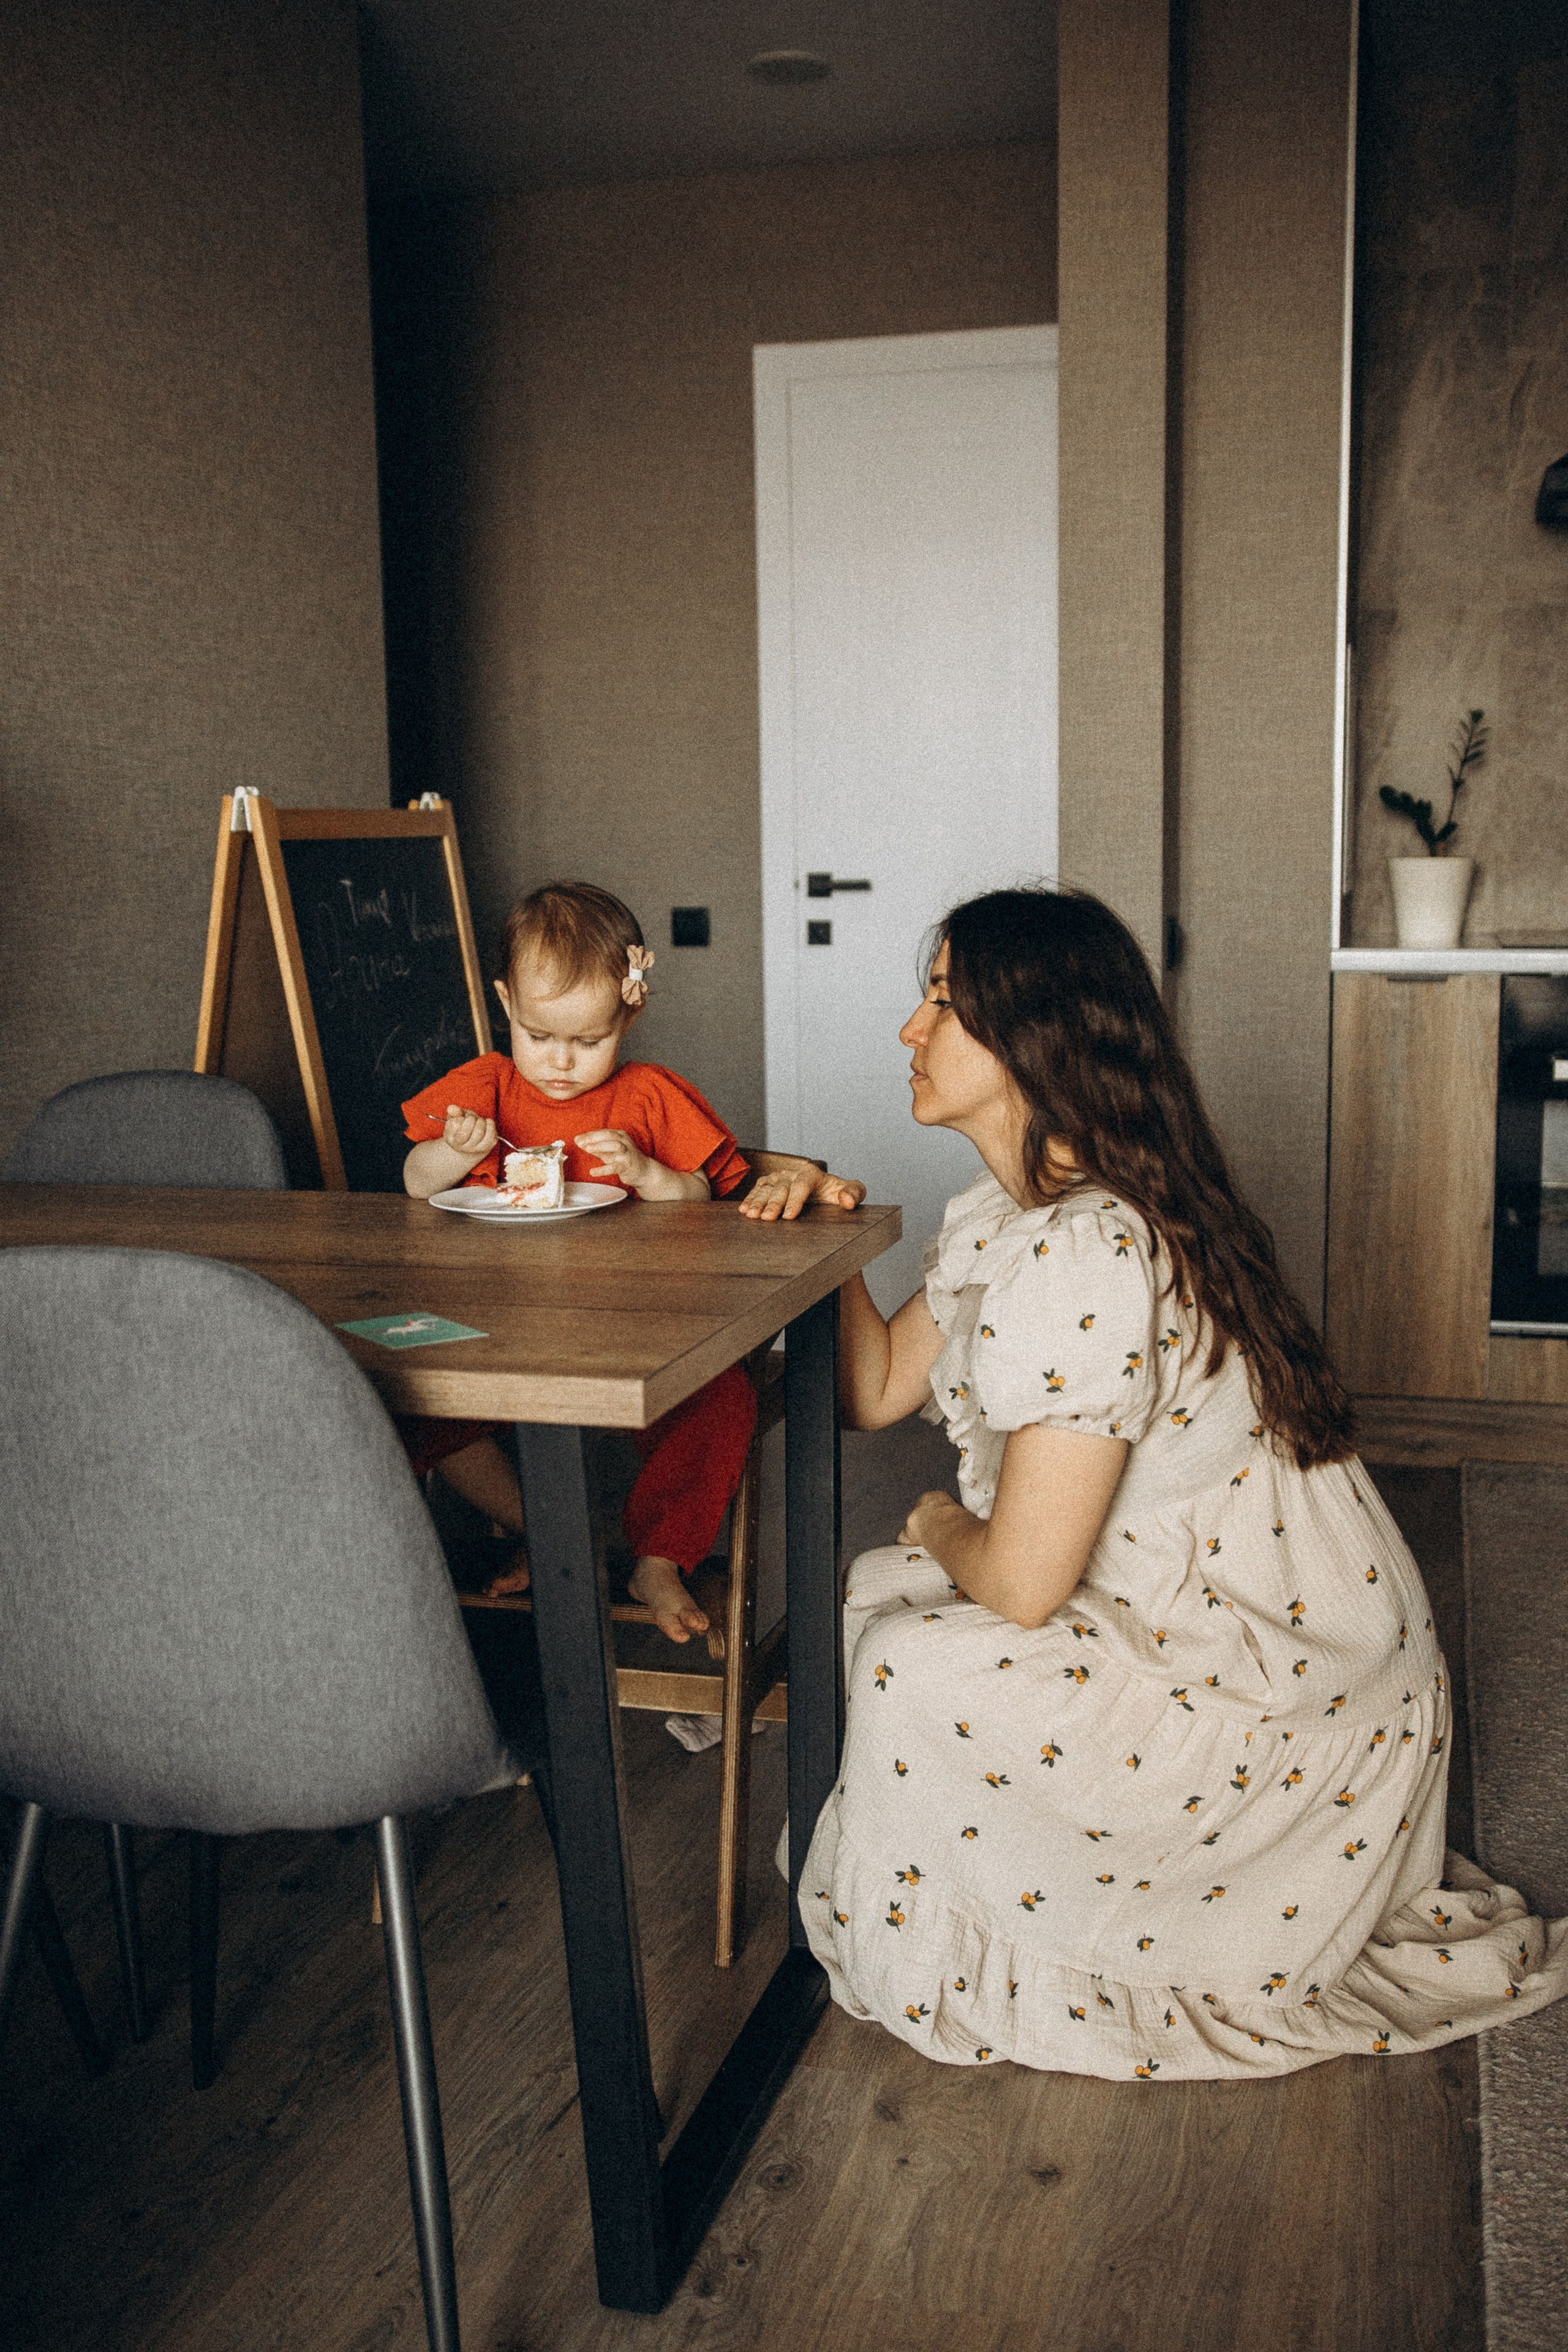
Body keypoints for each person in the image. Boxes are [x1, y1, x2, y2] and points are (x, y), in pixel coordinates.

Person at [756, 884, 1568, 2077]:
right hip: (1198, 1613)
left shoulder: (1086, 1243)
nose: (905, 1034)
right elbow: (871, 1387)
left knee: (900, 1652)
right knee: (880, 1591)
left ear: (1032, 1038)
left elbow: (1024, 1587)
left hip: (1274, 1691)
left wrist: (940, 1518)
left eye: (939, 1007)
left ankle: (1078, 1939)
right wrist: (817, 1228)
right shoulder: (1010, 1209)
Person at [400, 880, 755, 1642]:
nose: (561, 1063)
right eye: (540, 1035)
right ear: (505, 1005)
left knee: (723, 1397)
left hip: (636, 1327)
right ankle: (550, 1530)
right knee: (410, 1395)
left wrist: (651, 1177)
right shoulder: (483, 1090)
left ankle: (659, 1557)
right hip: (500, 1325)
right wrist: (446, 1152)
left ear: (631, 1013)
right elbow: (414, 1185)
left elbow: (702, 1198)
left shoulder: (648, 1097)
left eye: (589, 1042)